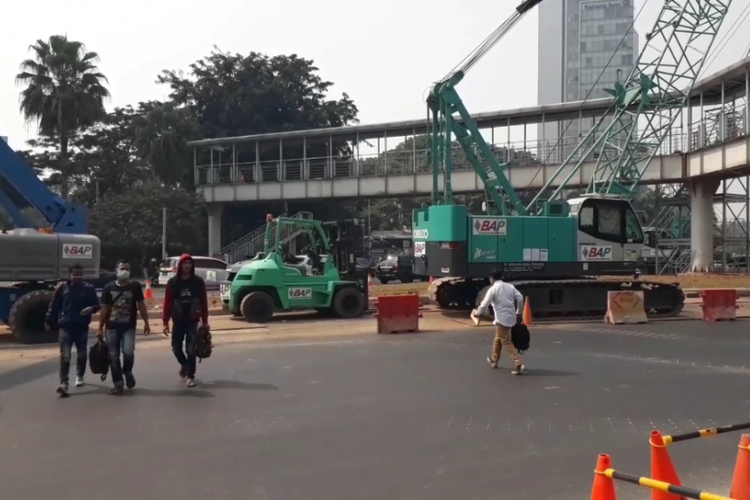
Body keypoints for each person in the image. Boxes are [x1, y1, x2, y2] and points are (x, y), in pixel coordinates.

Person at [46, 264, 101, 396]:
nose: (78, 277)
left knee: (82, 355)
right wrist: (49, 322)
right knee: (65, 356)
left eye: (80, 274)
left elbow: (97, 305)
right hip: (66, 327)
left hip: (81, 327)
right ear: (69, 275)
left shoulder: (89, 289)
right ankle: (64, 383)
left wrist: (91, 309)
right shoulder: (62, 289)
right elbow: (54, 307)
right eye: (75, 274)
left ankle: (79, 375)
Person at [99, 259, 152, 394]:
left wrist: (146, 322)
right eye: (122, 268)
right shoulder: (108, 288)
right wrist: (100, 328)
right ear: (116, 270)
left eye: (127, 269)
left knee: (128, 352)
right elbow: (104, 309)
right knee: (113, 356)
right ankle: (118, 383)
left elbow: (141, 305)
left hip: (128, 326)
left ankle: (127, 372)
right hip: (111, 327)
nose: (125, 271)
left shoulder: (135, 286)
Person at [162, 254, 209, 388]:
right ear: (180, 266)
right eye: (185, 263)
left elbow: (204, 302)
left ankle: (190, 376)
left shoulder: (198, 282)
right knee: (176, 348)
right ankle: (185, 365)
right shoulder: (173, 282)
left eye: (189, 263)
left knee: (191, 349)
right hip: (178, 320)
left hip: (192, 320)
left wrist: (205, 321)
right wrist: (165, 322)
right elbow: (167, 303)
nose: (187, 266)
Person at [472, 269, 527, 375]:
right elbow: (520, 298)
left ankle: (519, 363)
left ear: (491, 278)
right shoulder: (510, 286)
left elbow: (484, 304)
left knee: (505, 341)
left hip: (501, 319)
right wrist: (519, 312)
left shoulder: (493, 289)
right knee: (499, 338)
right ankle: (494, 360)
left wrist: (477, 313)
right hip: (511, 317)